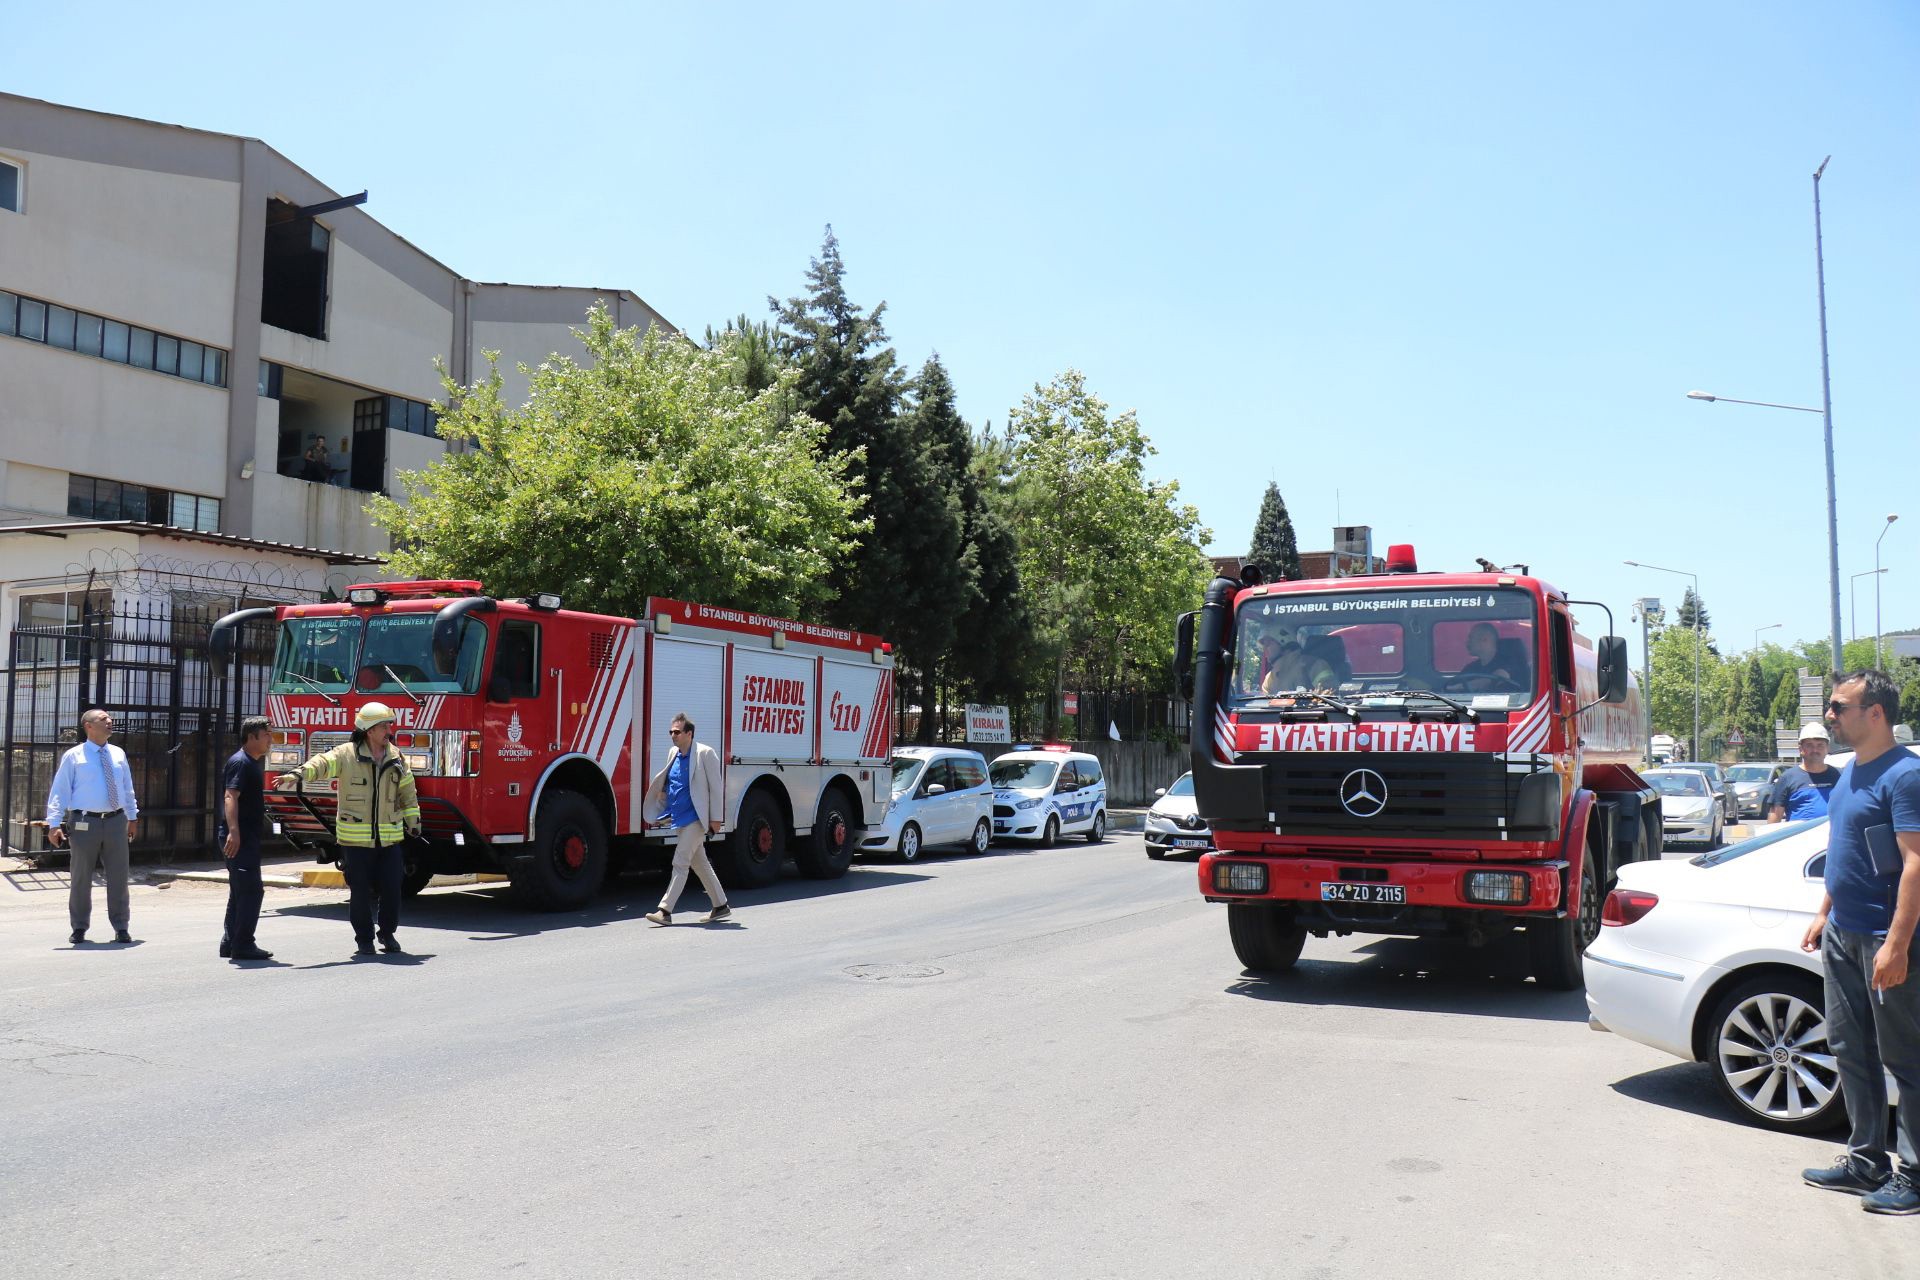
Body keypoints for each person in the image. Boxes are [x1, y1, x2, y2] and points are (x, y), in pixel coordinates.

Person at [1797, 669, 1920, 1215]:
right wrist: (1825, 912)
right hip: (1844, 931)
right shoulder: (1850, 773)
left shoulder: (1905, 775)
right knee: (1851, 1050)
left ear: (1875, 713)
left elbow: (1916, 863)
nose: (1830, 714)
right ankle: (1865, 1160)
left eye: (1839, 706)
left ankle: (1914, 1176)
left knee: (1905, 1057)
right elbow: (1844, 847)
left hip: (1883, 938)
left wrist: (1897, 945)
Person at [274, 701, 421, 956]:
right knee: (360, 894)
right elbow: (320, 764)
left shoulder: (396, 756)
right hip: (355, 843)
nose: (389, 730)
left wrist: (414, 821)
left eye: (389, 725)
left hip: (389, 840)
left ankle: (387, 934)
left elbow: (408, 791)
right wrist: (296, 775)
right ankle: (364, 940)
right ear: (369, 730)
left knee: (392, 889)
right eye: (384, 726)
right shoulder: (345, 755)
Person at [46, 708, 140, 945]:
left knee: (119, 876)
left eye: (109, 718)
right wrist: (54, 823)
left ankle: (121, 927)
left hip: (116, 820)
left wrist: (132, 816)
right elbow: (60, 790)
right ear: (88, 726)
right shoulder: (74, 756)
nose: (110, 721)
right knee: (81, 877)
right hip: (84, 822)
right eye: (103, 719)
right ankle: (79, 927)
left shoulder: (118, 754)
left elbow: (127, 788)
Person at [643, 713, 730, 926]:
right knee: (699, 863)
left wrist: (716, 818)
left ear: (689, 733)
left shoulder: (705, 753)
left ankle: (665, 910)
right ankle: (720, 905)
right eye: (671, 731)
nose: (672, 735)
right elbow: (671, 781)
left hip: (696, 819)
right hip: (679, 818)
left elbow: (716, 788)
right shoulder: (673, 752)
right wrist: (663, 800)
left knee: (680, 861)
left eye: (677, 732)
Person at [219, 716, 274, 961]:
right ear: (251, 737)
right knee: (251, 891)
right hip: (239, 839)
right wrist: (234, 831)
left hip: (246, 838)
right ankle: (243, 944)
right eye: (266, 735)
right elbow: (230, 797)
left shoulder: (250, 762)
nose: (270, 740)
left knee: (240, 891)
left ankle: (230, 942)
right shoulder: (241, 763)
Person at [1768, 723, 1842, 823]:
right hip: (1801, 837)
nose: (1815, 750)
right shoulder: (1787, 778)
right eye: (1809, 745)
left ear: (1827, 748)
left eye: (1820, 745)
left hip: (1833, 837)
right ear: (1800, 748)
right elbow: (1774, 819)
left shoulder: (1839, 776)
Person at [1260, 627, 1335, 695]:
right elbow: (1266, 704)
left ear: (1285, 642)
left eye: (1268, 644)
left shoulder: (1315, 665)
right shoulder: (1270, 679)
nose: (1264, 649)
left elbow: (1330, 697)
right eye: (1263, 645)